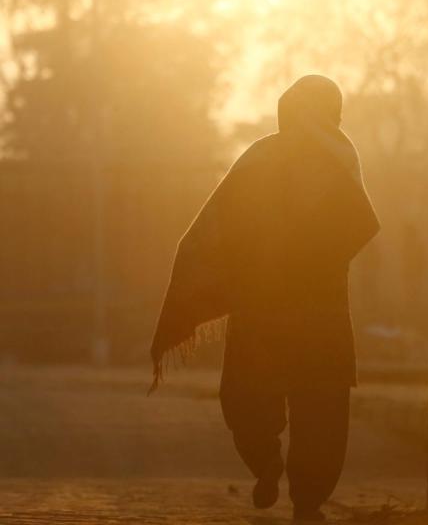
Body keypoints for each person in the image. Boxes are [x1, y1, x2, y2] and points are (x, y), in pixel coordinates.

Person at [149, 75, 380, 522]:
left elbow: (213, 232)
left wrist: (241, 269)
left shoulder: (258, 157)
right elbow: (362, 225)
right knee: (323, 412)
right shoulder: (343, 157)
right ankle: (308, 502)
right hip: (321, 312)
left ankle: (266, 464)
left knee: (246, 398)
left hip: (262, 308)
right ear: (333, 112)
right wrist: (314, 256)